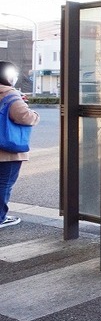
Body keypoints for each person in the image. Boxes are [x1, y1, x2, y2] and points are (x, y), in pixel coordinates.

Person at [0, 61, 39, 229]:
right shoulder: (10, 94)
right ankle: (0, 217)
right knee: (4, 183)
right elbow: (24, 116)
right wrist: (35, 114)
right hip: (7, 150)